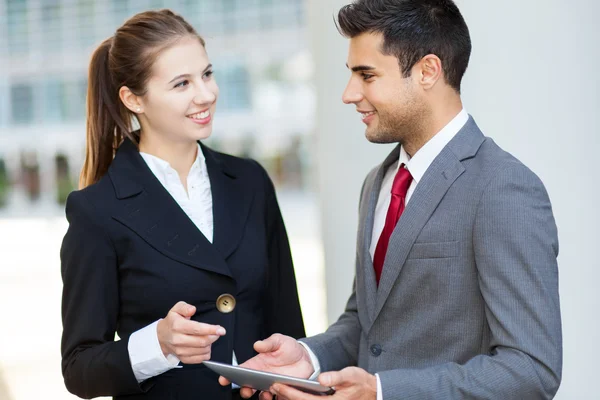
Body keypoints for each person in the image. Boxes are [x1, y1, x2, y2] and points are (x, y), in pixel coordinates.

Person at [221, 0, 562, 399]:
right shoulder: (377, 182)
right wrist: (308, 357)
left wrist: (383, 391)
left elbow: (531, 369)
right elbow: (367, 324)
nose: (349, 94)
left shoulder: (503, 189)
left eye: (367, 75)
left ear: (427, 71)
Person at [60, 9, 305, 400]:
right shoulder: (97, 210)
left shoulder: (250, 181)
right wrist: (157, 344)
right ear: (132, 98)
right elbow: (79, 369)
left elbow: (288, 325)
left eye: (207, 74)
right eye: (181, 84)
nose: (206, 94)